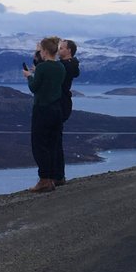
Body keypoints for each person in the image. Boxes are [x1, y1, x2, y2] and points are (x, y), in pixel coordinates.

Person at [22, 36, 65, 193]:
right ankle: (53, 177)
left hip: (42, 110)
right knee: (53, 145)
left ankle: (44, 180)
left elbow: (34, 88)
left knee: (39, 145)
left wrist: (29, 77)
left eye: (40, 50)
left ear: (45, 51)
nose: (39, 52)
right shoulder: (61, 67)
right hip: (57, 110)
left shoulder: (42, 68)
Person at [56, 39, 81, 186]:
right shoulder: (70, 65)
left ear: (69, 50)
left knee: (55, 140)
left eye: (61, 48)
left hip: (61, 104)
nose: (59, 50)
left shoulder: (66, 66)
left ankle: (58, 175)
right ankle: (58, 175)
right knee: (56, 139)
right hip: (64, 103)